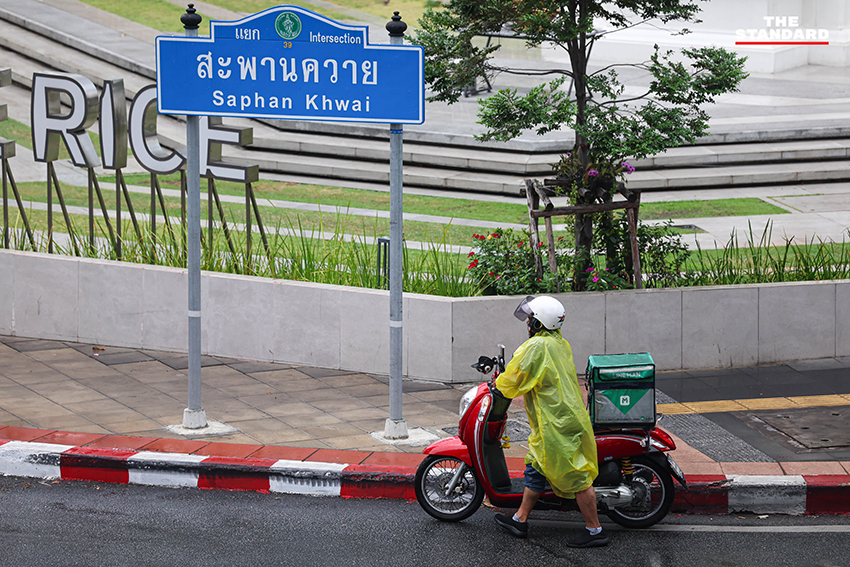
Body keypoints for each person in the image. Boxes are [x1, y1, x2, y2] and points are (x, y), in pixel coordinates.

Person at [493, 295, 609, 547]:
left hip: (557, 423)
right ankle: (520, 519)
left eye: (531, 320)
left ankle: (595, 530)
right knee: (536, 464)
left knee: (577, 476)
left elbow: (513, 378)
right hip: (561, 418)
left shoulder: (536, 347)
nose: (527, 324)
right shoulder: (559, 343)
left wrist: (498, 383)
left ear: (538, 324)